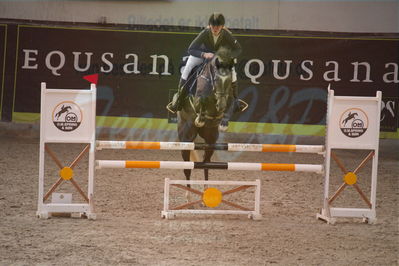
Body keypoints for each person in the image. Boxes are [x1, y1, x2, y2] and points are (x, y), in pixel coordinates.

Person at [169, 12, 242, 112]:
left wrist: (226, 56)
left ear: (222, 26)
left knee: (233, 72)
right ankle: (179, 99)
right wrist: (204, 54)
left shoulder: (226, 35)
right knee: (188, 67)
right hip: (202, 55)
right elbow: (191, 49)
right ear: (209, 25)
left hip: (219, 58)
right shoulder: (205, 33)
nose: (215, 28)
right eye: (213, 26)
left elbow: (238, 49)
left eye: (218, 26)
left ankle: (236, 101)